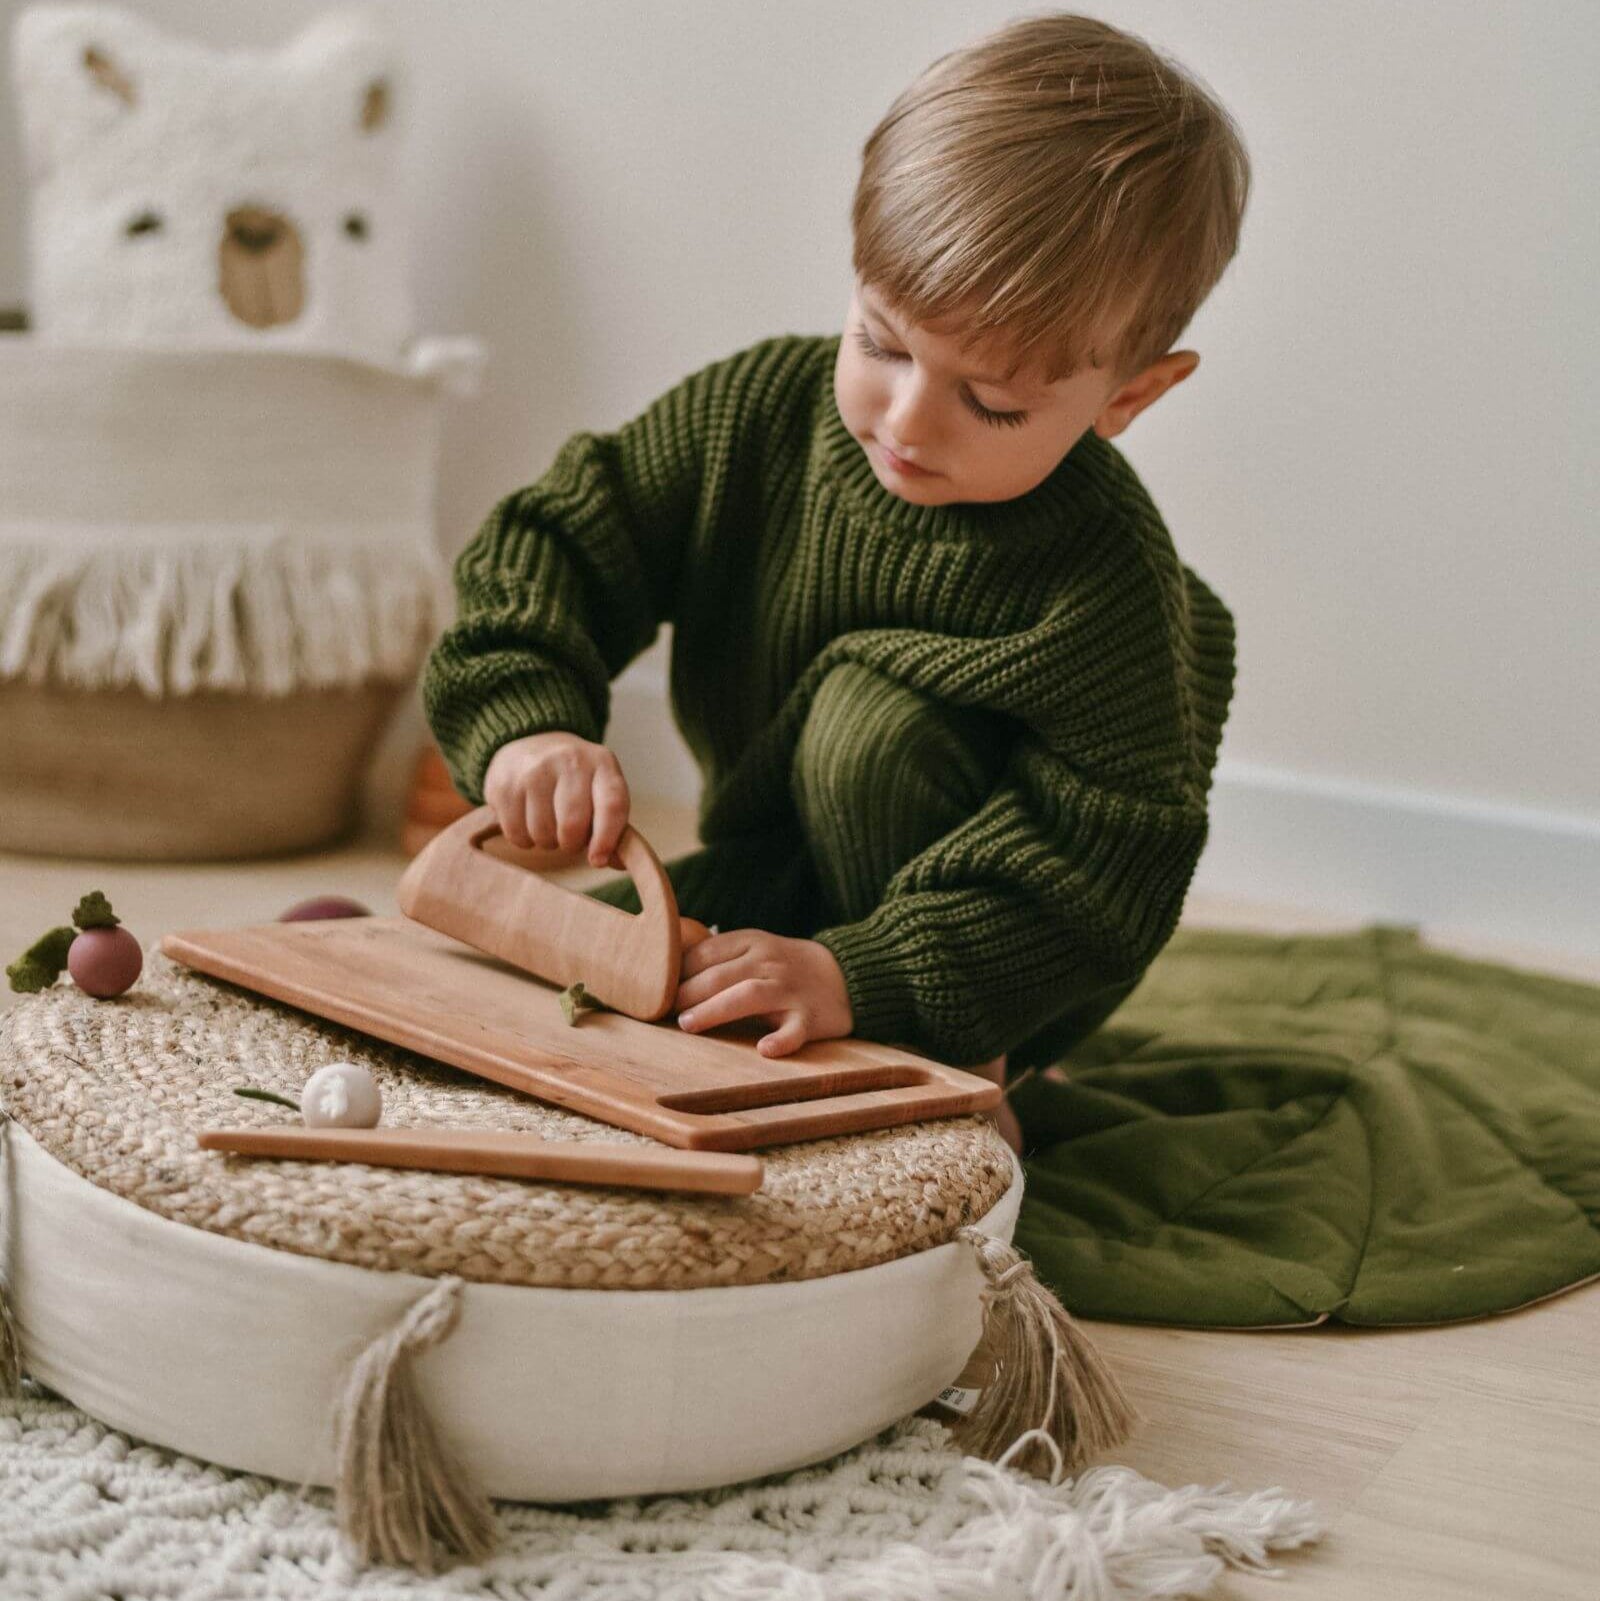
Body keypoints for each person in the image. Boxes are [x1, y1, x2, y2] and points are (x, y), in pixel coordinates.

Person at [423, 12, 1250, 1153]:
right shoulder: (756, 414)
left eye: (992, 401)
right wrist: (530, 727)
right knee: (517, 993)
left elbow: (1102, 863)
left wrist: (866, 975)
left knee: (877, 723)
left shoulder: (1100, 583)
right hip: (780, 870)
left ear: (1128, 398)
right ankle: (794, 977)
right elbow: (557, 540)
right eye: (883, 341)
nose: (906, 421)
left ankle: (958, 1073)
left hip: (995, 952)